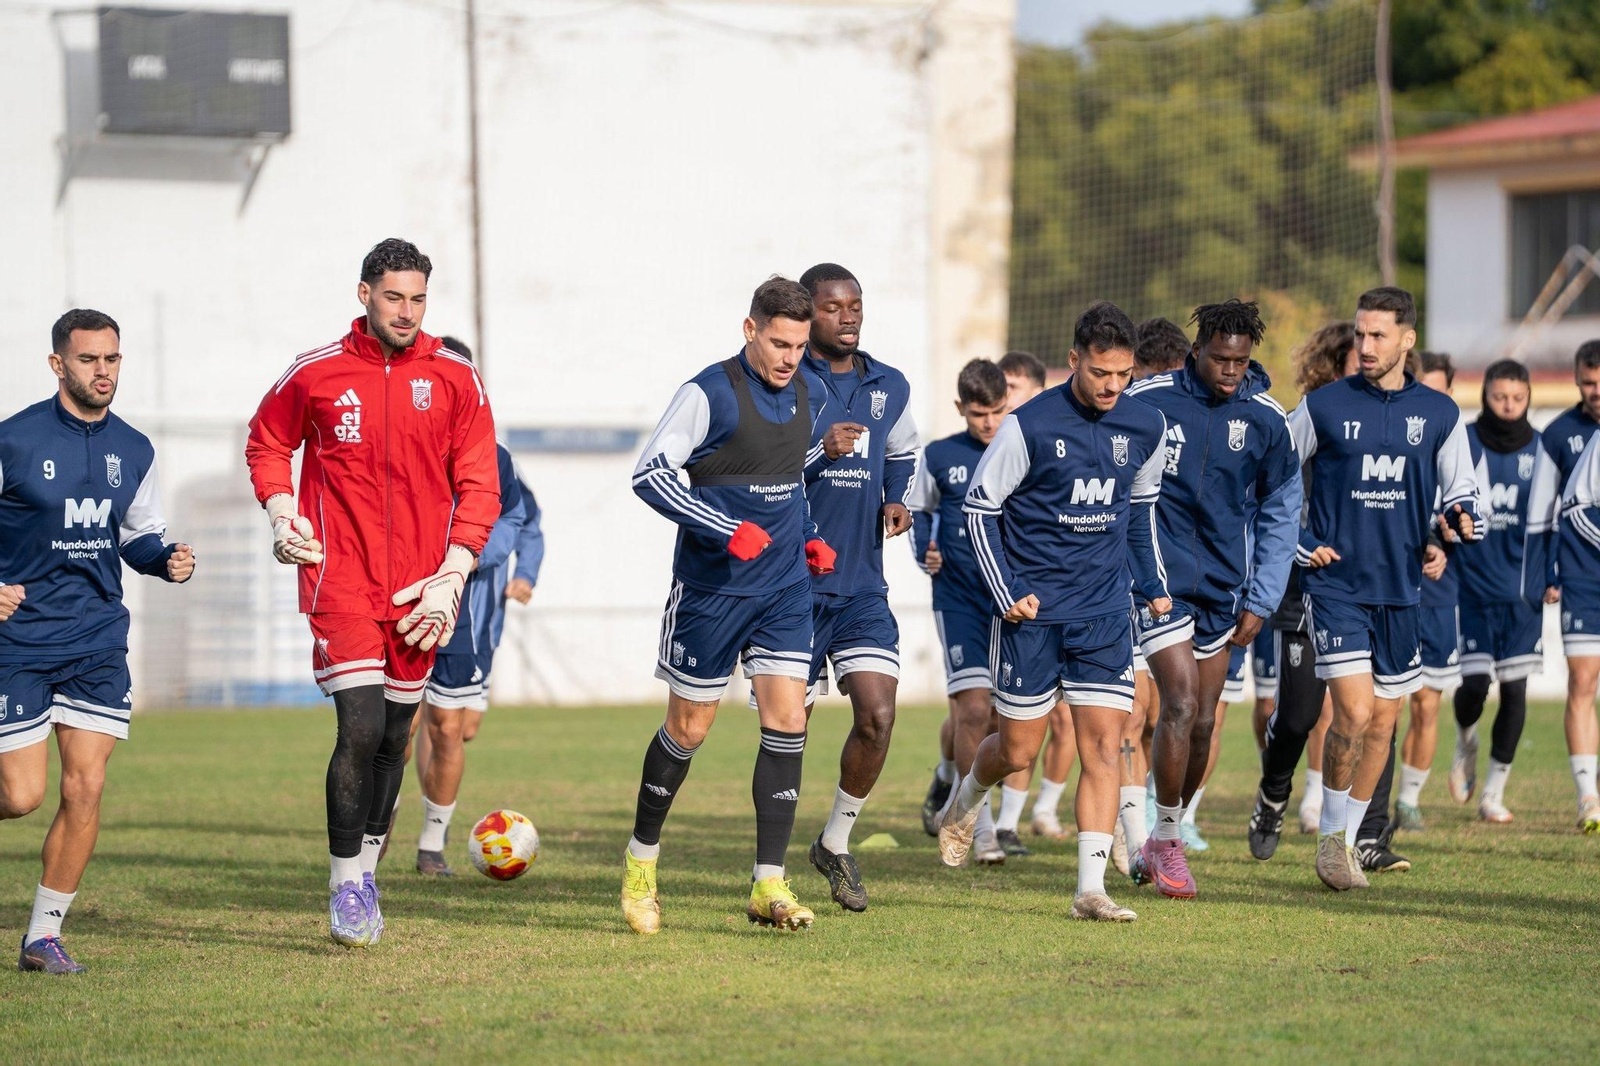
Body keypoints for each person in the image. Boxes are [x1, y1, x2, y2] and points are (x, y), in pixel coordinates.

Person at [245, 239, 500, 946]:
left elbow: (481, 483)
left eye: (419, 299)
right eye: (394, 297)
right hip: (341, 578)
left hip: (422, 588)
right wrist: (281, 511)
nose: (408, 312)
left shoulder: (455, 378)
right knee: (358, 726)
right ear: (365, 295)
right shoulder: (316, 372)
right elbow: (267, 442)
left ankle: (367, 867)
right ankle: (345, 885)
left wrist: (454, 574)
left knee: (395, 735)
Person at [938, 301, 1169, 922]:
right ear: (1073, 361)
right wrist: (1008, 589)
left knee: (1104, 745)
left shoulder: (1146, 427)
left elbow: (1141, 512)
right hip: (1031, 618)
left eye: (1123, 375)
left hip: (1102, 613)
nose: (1112, 386)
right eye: (1100, 373)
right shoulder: (1029, 425)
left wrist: (1151, 582)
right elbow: (980, 509)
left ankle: (1090, 890)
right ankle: (966, 798)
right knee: (1017, 750)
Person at [621, 277, 835, 935]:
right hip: (712, 592)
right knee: (689, 729)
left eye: (799, 345)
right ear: (750, 330)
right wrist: (722, 529)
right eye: (777, 342)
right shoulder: (708, 392)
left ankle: (768, 884)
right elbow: (649, 474)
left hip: (783, 592)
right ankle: (640, 866)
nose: (788, 357)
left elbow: (790, 477)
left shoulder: (810, 391)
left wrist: (811, 538)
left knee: (788, 719)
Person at [0, 309, 196, 974]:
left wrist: (163, 558)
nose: (103, 371)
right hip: (18, 640)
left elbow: (137, 533)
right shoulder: (14, 442)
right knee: (21, 796)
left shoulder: (135, 449)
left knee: (86, 787)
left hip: (95, 637)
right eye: (89, 360)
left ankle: (42, 936)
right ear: (59, 365)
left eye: (112, 359)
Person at [1288, 286, 1481, 891]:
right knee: (1354, 708)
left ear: (1407, 340)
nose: (1365, 345)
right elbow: (1272, 479)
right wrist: (1296, 540)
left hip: (1401, 590)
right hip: (1337, 583)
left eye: (1377, 335)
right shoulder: (1321, 406)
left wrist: (1458, 523)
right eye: (1360, 333)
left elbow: (1463, 491)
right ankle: (1328, 840)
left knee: (1382, 721)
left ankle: (1344, 842)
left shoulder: (1441, 413)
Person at [1122, 299, 1301, 898]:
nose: (1229, 370)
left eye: (1240, 361)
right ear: (1196, 352)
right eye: (1219, 358)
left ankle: (1161, 834)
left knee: (1202, 721)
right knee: (1176, 705)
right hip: (1159, 585)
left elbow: (1281, 511)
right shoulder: (1147, 401)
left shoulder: (1266, 419)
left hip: (1225, 589)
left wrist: (1264, 594)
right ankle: (1169, 845)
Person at [795, 264, 919, 911]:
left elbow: (904, 453)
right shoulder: (785, 379)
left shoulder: (888, 385)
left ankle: (834, 842)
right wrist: (822, 451)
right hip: (791, 585)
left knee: (877, 714)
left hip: (862, 587)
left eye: (856, 306)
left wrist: (900, 501)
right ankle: (768, 864)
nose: (848, 316)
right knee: (789, 728)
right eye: (833, 307)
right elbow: (754, 464)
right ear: (806, 313)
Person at [402, 337, 527, 875]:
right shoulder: (399, 443)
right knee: (393, 728)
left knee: (450, 729)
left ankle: (432, 844)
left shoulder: (493, 456)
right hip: (398, 602)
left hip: (461, 613)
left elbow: (513, 521)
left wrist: (468, 560)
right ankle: (373, 829)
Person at [1249, 322, 1356, 860]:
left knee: (1363, 712)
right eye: (1356, 361)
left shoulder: (1392, 423)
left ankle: (1352, 829)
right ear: (1334, 368)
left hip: (1364, 592)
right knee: (1297, 716)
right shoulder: (1305, 421)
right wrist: (1301, 545)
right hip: (1304, 591)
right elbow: (1271, 495)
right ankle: (1273, 797)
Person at [913, 360, 1011, 864]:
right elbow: (921, 512)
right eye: (979, 414)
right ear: (961, 409)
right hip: (959, 599)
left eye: (997, 411)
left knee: (998, 715)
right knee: (973, 710)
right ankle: (982, 826)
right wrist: (923, 550)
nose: (989, 423)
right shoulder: (939, 455)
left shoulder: (1021, 449)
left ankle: (949, 777)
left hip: (1011, 601)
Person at [1438, 360, 1542, 825]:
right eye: (1500, 397)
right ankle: (1465, 739)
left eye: (1517, 398)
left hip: (1521, 597)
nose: (1508, 406)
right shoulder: (1463, 441)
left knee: (1516, 693)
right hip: (1471, 589)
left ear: (1528, 399)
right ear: (1485, 395)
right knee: (1475, 687)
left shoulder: (1542, 451)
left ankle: (1494, 793)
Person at [987, 350, 1078, 852]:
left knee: (1072, 720)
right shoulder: (1010, 441)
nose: (1004, 399)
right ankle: (998, 816)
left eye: (1014, 388)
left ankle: (1041, 810)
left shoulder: (1052, 432)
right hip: (1014, 599)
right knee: (1010, 727)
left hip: (1077, 604)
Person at [1111, 317, 1190, 873]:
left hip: (1167, 584)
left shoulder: (1179, 430)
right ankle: (1135, 836)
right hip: (1116, 583)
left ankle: (1152, 825)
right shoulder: (1123, 427)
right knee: (1131, 711)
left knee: (1168, 709)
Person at [1524, 339, 1600, 832]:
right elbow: (1548, 512)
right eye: (1589, 383)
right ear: (1576, 381)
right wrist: (1543, 573)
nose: (1596, 392)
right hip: (1585, 579)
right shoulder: (1560, 434)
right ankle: (1588, 796)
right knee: (1584, 680)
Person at [1392, 352, 1460, 833]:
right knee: (1383, 703)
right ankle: (1362, 802)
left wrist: (1446, 543)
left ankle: (1409, 799)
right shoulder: (1394, 433)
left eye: (1440, 391)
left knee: (1428, 700)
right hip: (1391, 584)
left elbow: (1473, 512)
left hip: (1438, 591)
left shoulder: (1459, 443)